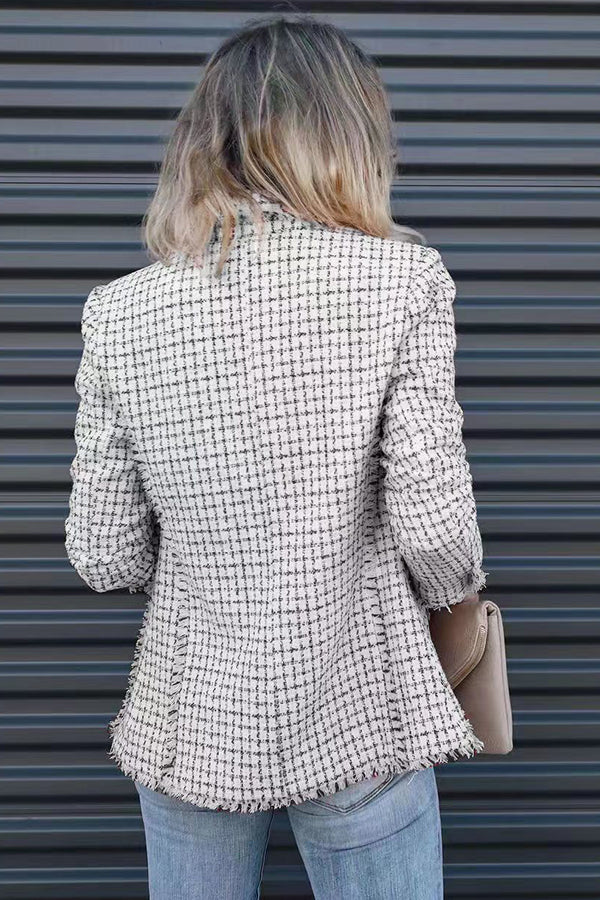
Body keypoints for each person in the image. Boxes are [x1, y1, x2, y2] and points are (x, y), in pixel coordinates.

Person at [64, 13, 487, 900]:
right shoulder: (401, 282)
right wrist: (452, 596)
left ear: (202, 144)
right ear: (347, 134)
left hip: (193, 720)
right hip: (360, 707)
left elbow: (105, 556)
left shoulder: (120, 311)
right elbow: (436, 535)